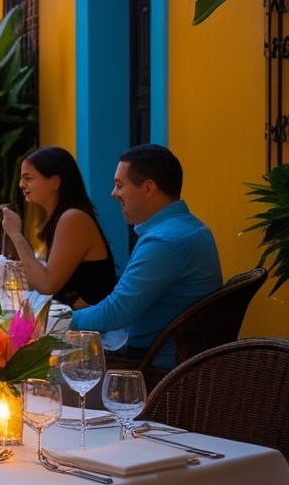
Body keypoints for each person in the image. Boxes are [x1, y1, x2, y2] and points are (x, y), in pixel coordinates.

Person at [69, 144, 221, 368]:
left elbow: (116, 313)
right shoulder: (189, 228)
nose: (113, 193)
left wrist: (57, 321)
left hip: (154, 366)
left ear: (148, 188)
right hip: (176, 359)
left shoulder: (164, 241)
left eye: (120, 185)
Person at [0, 147, 115, 307]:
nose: (21, 184)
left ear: (54, 182)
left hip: (90, 329)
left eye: (28, 178)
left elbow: (46, 286)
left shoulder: (73, 218)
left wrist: (16, 235)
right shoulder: (60, 217)